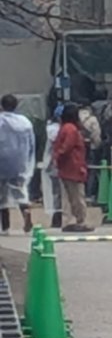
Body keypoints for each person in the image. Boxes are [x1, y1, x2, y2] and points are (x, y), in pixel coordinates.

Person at [52, 104, 91, 233]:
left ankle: (68, 220)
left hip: (65, 167)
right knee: (78, 196)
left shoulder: (64, 128)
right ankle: (80, 220)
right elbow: (67, 147)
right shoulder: (72, 129)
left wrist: (57, 158)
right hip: (74, 166)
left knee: (67, 196)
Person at [0, 94, 35, 235]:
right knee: (20, 191)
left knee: (2, 196)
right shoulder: (25, 122)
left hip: (2, 162)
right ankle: (25, 211)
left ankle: (5, 227)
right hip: (20, 163)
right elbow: (32, 143)